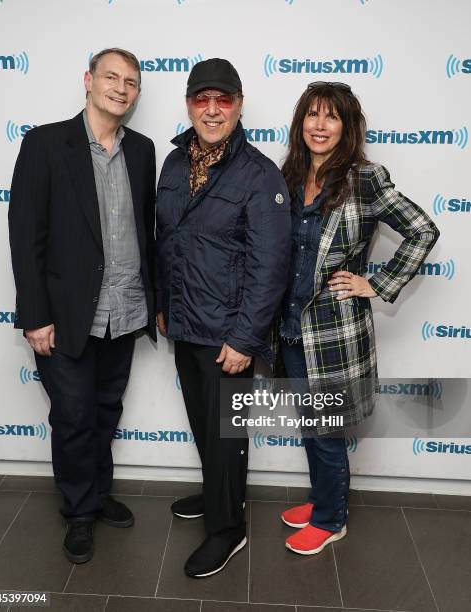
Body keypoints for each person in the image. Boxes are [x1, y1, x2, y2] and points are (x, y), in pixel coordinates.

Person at [277, 82, 439, 555]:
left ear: (347, 127)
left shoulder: (364, 178)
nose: (319, 125)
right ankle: (322, 498)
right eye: (312, 115)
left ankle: (331, 519)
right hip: (289, 328)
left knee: (327, 431)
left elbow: (423, 229)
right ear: (300, 122)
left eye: (331, 117)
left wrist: (377, 283)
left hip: (334, 332)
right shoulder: (289, 174)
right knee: (311, 424)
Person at [8, 48, 156, 564]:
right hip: (65, 315)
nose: (121, 87)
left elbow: (146, 230)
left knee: (105, 410)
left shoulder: (142, 150)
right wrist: (34, 316)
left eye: (131, 82)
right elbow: (26, 238)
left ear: (137, 94)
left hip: (126, 310)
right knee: (73, 417)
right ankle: (78, 513)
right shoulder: (46, 144)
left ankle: (96, 492)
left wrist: (152, 298)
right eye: (112, 77)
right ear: (89, 81)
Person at [155, 58, 291, 577]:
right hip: (185, 323)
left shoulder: (259, 174)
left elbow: (270, 266)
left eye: (223, 100)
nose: (211, 110)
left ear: (238, 104)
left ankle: (227, 528)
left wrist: (245, 337)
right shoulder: (172, 163)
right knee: (202, 426)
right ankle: (217, 496)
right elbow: (166, 239)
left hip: (228, 335)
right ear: (189, 104)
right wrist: (164, 305)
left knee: (226, 435)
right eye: (201, 99)